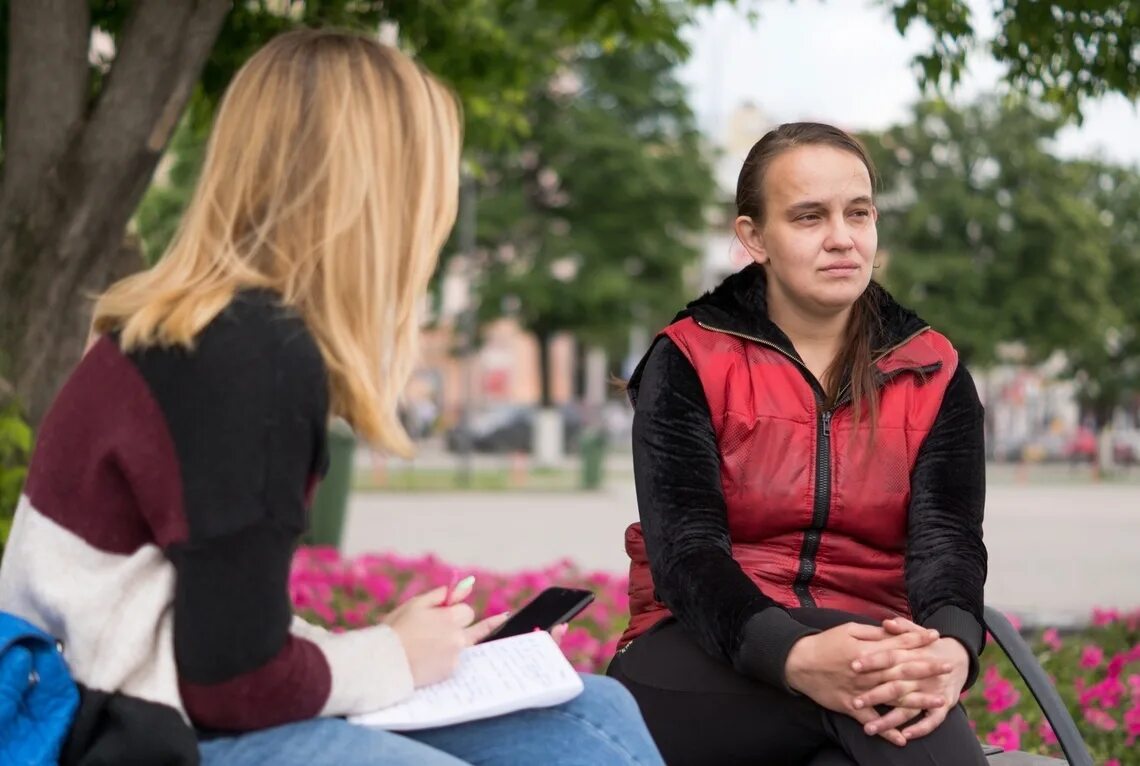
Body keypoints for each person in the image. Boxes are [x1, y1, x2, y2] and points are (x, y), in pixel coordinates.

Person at [0, 29, 663, 766]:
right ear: (382, 192)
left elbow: (203, 623)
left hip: (145, 698)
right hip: (121, 734)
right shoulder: (248, 356)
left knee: (597, 710)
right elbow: (230, 682)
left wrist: (384, 650)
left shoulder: (208, 333)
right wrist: (393, 657)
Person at [605, 122, 988, 766]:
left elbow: (947, 543)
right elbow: (687, 555)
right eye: (809, 216)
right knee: (883, 707)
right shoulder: (690, 358)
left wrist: (951, 647)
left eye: (858, 213)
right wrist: (797, 655)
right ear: (754, 237)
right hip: (699, 655)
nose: (842, 238)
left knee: (861, 730)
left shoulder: (933, 369)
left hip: (869, 649)